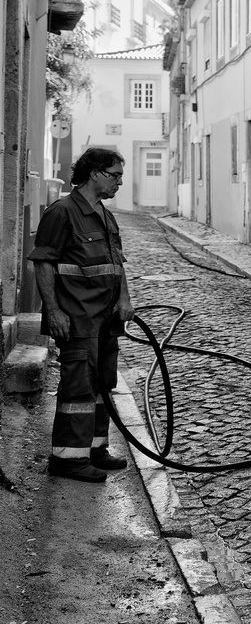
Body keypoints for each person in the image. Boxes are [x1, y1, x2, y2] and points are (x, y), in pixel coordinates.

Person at [27, 148, 135, 483]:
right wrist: (53, 310)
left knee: (103, 385)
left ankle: (95, 448)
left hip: (106, 319)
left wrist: (125, 298)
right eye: (115, 175)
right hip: (77, 317)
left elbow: (116, 262)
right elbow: (44, 262)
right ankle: (68, 459)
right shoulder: (61, 213)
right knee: (79, 388)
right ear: (95, 173)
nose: (119, 182)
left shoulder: (105, 214)